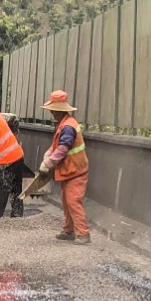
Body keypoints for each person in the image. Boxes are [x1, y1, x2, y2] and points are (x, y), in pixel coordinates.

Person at [37, 89, 90, 243]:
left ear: (57, 110)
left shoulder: (67, 127)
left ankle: (83, 234)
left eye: (53, 110)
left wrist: (48, 163)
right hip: (70, 170)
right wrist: (48, 155)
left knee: (73, 201)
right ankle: (69, 231)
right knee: (67, 201)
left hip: (76, 170)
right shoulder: (65, 124)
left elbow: (62, 149)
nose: (51, 113)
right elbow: (57, 146)